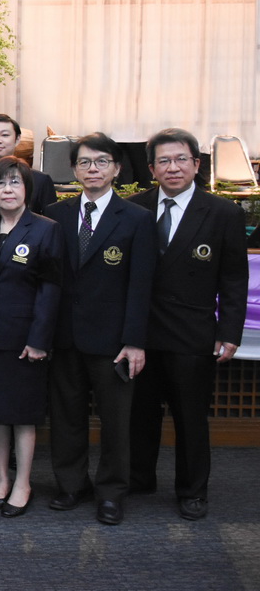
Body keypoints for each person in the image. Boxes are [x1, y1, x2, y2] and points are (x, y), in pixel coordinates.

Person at [128, 128, 248, 521]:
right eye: (164, 160)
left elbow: (233, 279)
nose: (173, 167)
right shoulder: (134, 208)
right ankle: (139, 477)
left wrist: (229, 332)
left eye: (181, 159)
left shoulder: (223, 213)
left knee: (190, 418)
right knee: (140, 413)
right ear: (151, 169)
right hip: (141, 333)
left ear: (197, 164)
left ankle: (193, 490)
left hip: (192, 334)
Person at [45, 132, 155, 525]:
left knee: (115, 422)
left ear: (117, 169)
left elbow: (141, 286)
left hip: (114, 343)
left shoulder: (137, 219)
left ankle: (111, 493)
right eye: (85, 163)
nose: (93, 169)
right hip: (65, 337)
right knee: (67, 417)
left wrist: (135, 341)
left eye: (101, 162)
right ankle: (71, 484)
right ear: (74, 169)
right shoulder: (55, 215)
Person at [0, 157, 62, 518]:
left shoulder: (45, 229)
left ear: (27, 188)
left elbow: (51, 288)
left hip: (26, 338)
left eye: (15, 183)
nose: (8, 190)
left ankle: (23, 481)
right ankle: (0, 478)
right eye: (1, 184)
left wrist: (40, 338)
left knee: (23, 416)